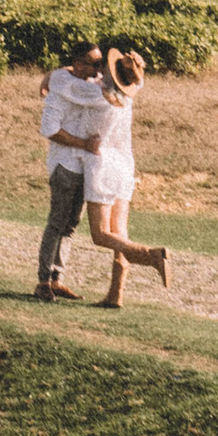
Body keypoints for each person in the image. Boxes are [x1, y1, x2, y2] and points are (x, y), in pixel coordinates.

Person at [77, 47, 171, 307]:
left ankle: (151, 255)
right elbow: (137, 80)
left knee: (101, 234)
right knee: (120, 232)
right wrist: (135, 67)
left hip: (102, 164)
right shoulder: (127, 95)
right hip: (124, 166)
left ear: (109, 72)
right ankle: (115, 294)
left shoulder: (94, 94)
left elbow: (64, 81)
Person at [35, 39, 106, 301]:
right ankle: (43, 281)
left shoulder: (82, 85)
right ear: (77, 63)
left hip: (82, 164)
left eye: (101, 64)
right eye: (94, 64)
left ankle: (57, 279)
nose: (98, 70)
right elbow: (50, 130)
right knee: (56, 223)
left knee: (71, 225)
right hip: (65, 163)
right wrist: (84, 144)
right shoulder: (60, 88)